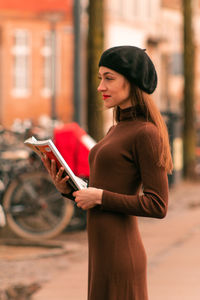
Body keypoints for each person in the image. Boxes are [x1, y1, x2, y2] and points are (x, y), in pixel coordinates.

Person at [42, 45, 173, 300]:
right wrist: (69, 191)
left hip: (121, 255)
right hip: (101, 254)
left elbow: (158, 205)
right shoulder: (117, 128)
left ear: (132, 81)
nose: (101, 86)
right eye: (100, 78)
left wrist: (100, 196)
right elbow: (106, 189)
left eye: (109, 78)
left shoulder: (146, 132)